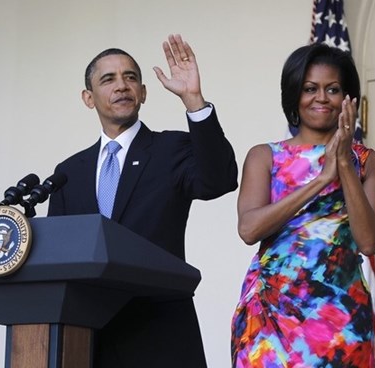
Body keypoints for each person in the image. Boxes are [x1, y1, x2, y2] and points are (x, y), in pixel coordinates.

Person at [48, 34, 238, 368]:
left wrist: (193, 100)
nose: (121, 86)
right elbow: (58, 256)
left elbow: (218, 180)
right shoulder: (68, 173)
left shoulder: (170, 150)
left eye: (130, 77)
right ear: (88, 98)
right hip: (88, 340)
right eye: (108, 80)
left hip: (160, 333)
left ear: (144, 93)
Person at [231, 43, 375, 367]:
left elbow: (369, 241)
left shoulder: (372, 163)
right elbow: (249, 229)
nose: (321, 98)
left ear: (348, 98)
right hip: (269, 316)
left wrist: (344, 164)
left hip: (340, 318)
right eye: (309, 88)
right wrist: (320, 180)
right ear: (294, 95)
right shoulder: (265, 156)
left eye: (332, 89)